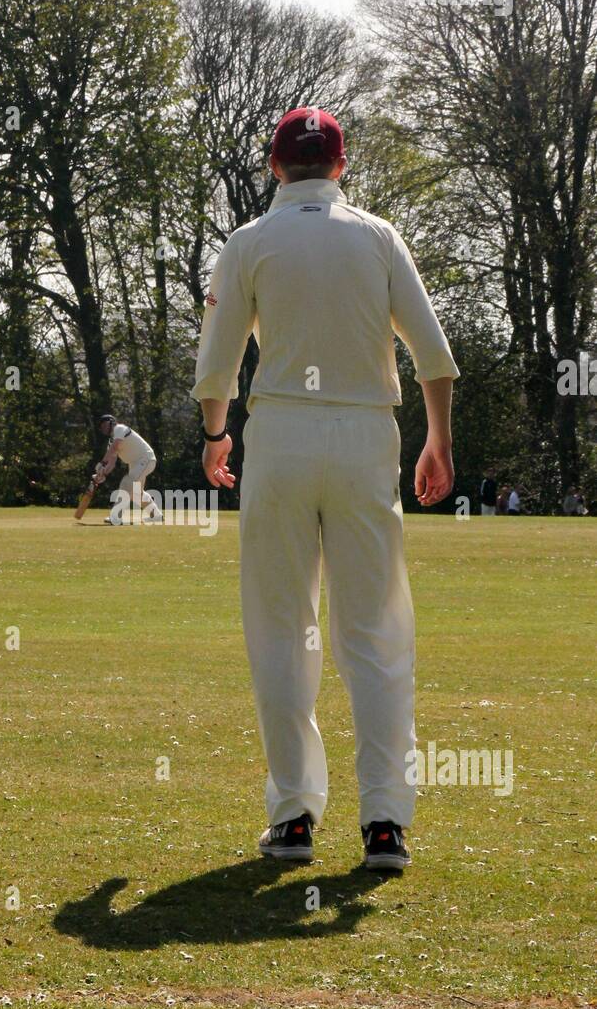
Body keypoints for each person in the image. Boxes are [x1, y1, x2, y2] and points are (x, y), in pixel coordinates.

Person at [191, 106, 459, 872]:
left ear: (276, 167)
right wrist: (439, 440)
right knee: (374, 633)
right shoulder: (377, 237)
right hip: (365, 437)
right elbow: (432, 357)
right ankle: (384, 824)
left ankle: (295, 818)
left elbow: (217, 367)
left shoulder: (249, 242)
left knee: (282, 629)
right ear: (341, 167)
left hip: (278, 438)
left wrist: (217, 438)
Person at [95, 415, 163, 525]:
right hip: (135, 464)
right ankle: (156, 515)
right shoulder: (111, 441)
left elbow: (114, 448)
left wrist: (102, 463)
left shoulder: (120, 428)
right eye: (101, 427)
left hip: (145, 459)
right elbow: (111, 463)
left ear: (111, 422)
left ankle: (116, 517)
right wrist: (102, 474)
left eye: (104, 425)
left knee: (127, 484)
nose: (103, 428)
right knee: (137, 494)